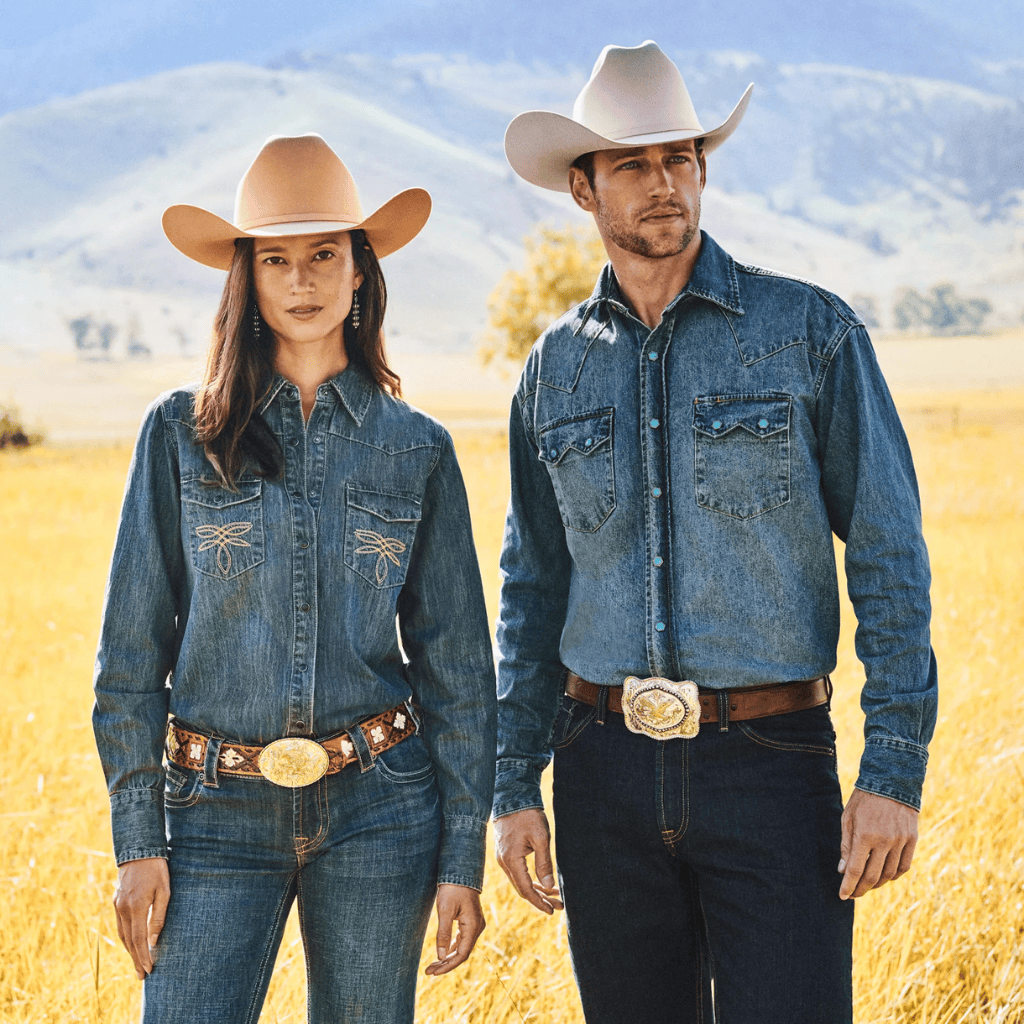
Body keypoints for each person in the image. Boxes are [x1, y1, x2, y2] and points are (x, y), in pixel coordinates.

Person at [492, 42, 937, 1023]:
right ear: (582, 187)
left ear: (702, 168)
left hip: (770, 767)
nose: (663, 184)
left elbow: (888, 555)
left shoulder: (809, 334)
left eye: (679, 158)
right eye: (633, 164)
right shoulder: (553, 370)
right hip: (599, 772)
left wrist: (893, 768)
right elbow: (532, 589)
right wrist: (511, 779)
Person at [92, 133, 496, 1023]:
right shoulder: (179, 436)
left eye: (325, 254)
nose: (303, 280)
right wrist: (137, 842)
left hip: (380, 807)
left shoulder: (416, 449)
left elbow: (458, 669)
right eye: (276, 259)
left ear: (361, 272)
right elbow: (129, 656)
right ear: (248, 277)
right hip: (210, 813)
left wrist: (461, 855)